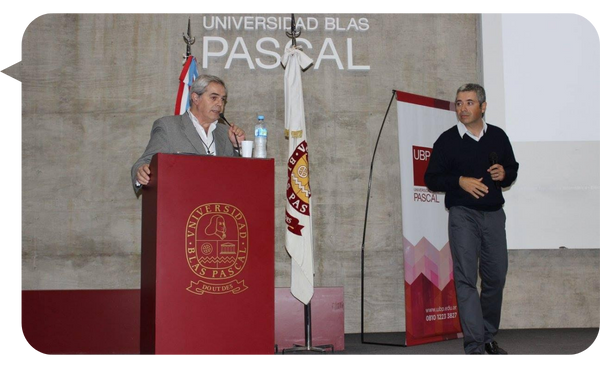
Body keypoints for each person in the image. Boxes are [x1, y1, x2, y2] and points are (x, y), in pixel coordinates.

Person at [424, 83, 519, 358]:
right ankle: (475, 347)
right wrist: (459, 181)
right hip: (463, 215)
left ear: (483, 106)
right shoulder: (447, 140)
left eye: (468, 102)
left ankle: (488, 337)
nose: (462, 108)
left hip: (493, 215)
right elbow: (431, 178)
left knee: (495, 278)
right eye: (458, 103)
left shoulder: (498, 137)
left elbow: (512, 168)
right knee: (466, 280)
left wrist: (505, 173)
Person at [131, 75, 246, 192]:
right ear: (195, 98)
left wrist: (237, 147)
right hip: (180, 202)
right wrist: (141, 171)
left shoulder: (226, 132)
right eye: (214, 98)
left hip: (218, 204)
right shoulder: (168, 127)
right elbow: (145, 162)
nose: (220, 104)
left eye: (223, 99)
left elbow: (237, 174)